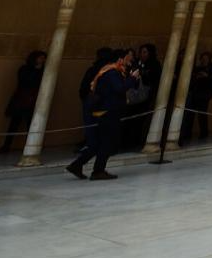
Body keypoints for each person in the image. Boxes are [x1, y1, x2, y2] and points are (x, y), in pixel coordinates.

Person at [67, 48, 137, 180]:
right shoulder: (111, 72)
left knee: (98, 143)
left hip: (105, 112)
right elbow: (119, 88)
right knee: (107, 143)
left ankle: (77, 165)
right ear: (120, 59)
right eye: (127, 58)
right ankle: (98, 170)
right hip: (107, 113)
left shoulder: (113, 71)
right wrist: (132, 78)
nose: (130, 61)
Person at [0, 50, 45, 154]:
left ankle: (32, 147)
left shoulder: (44, 71)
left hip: (34, 100)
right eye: (40, 58)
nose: (42, 60)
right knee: (14, 124)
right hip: (22, 99)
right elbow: (24, 81)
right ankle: (6, 146)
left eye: (43, 58)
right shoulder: (24, 69)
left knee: (32, 125)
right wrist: (36, 71)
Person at [124, 42, 160, 147]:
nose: (142, 54)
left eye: (145, 52)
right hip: (136, 99)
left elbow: (154, 79)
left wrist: (143, 74)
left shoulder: (154, 65)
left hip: (148, 98)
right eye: (141, 52)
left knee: (144, 121)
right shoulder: (137, 63)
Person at [181, 51, 212, 145]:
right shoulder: (198, 68)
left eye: (206, 59)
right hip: (195, 93)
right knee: (190, 114)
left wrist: (207, 76)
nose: (204, 60)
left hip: (205, 94)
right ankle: (187, 133)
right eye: (203, 59)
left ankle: (204, 132)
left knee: (202, 114)